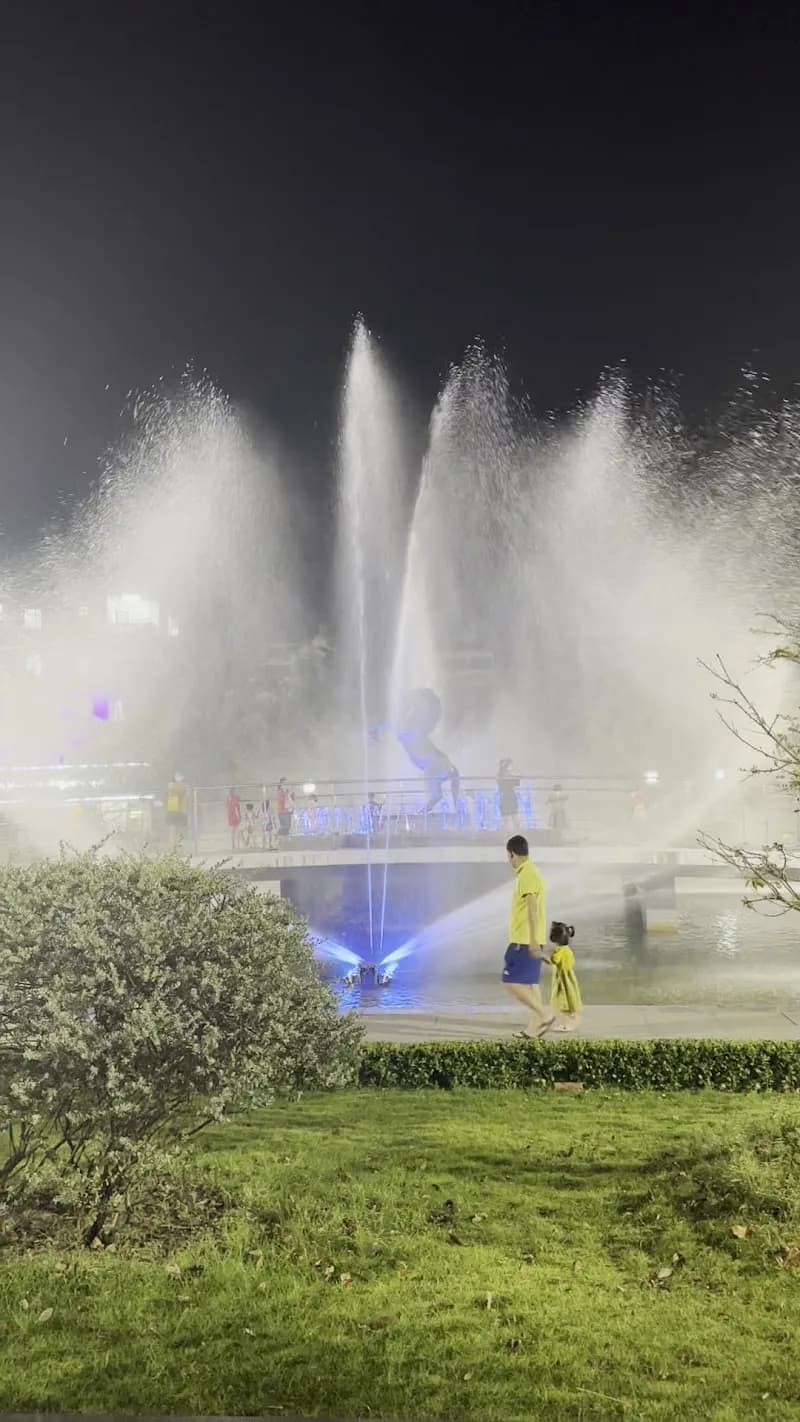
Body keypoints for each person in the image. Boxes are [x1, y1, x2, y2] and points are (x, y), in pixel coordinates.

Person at [502, 834, 554, 1038]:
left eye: (509, 856)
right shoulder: (531, 872)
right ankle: (534, 1030)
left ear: (513, 853)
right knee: (531, 985)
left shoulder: (526, 874)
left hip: (524, 940)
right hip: (529, 938)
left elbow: (532, 908)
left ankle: (545, 1014)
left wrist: (532, 942)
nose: (509, 860)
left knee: (510, 982)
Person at [549, 922, 582, 1032]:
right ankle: (568, 1022)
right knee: (570, 999)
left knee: (565, 1002)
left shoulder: (559, 950)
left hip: (563, 980)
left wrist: (547, 955)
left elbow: (554, 960)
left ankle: (568, 1025)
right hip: (569, 978)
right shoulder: (568, 950)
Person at [165, 772, 191, 847]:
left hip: (176, 809)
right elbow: (188, 795)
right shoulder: (184, 786)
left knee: (175, 829)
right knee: (176, 829)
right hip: (177, 809)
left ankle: (175, 846)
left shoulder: (171, 785)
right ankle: (176, 846)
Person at [497, 758, 521, 832]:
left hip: (506, 797)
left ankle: (507, 835)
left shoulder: (502, 775)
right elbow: (516, 783)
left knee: (507, 819)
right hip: (509, 797)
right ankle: (516, 833)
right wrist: (517, 777)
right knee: (513, 817)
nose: (511, 767)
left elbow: (515, 782)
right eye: (510, 765)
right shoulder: (505, 776)